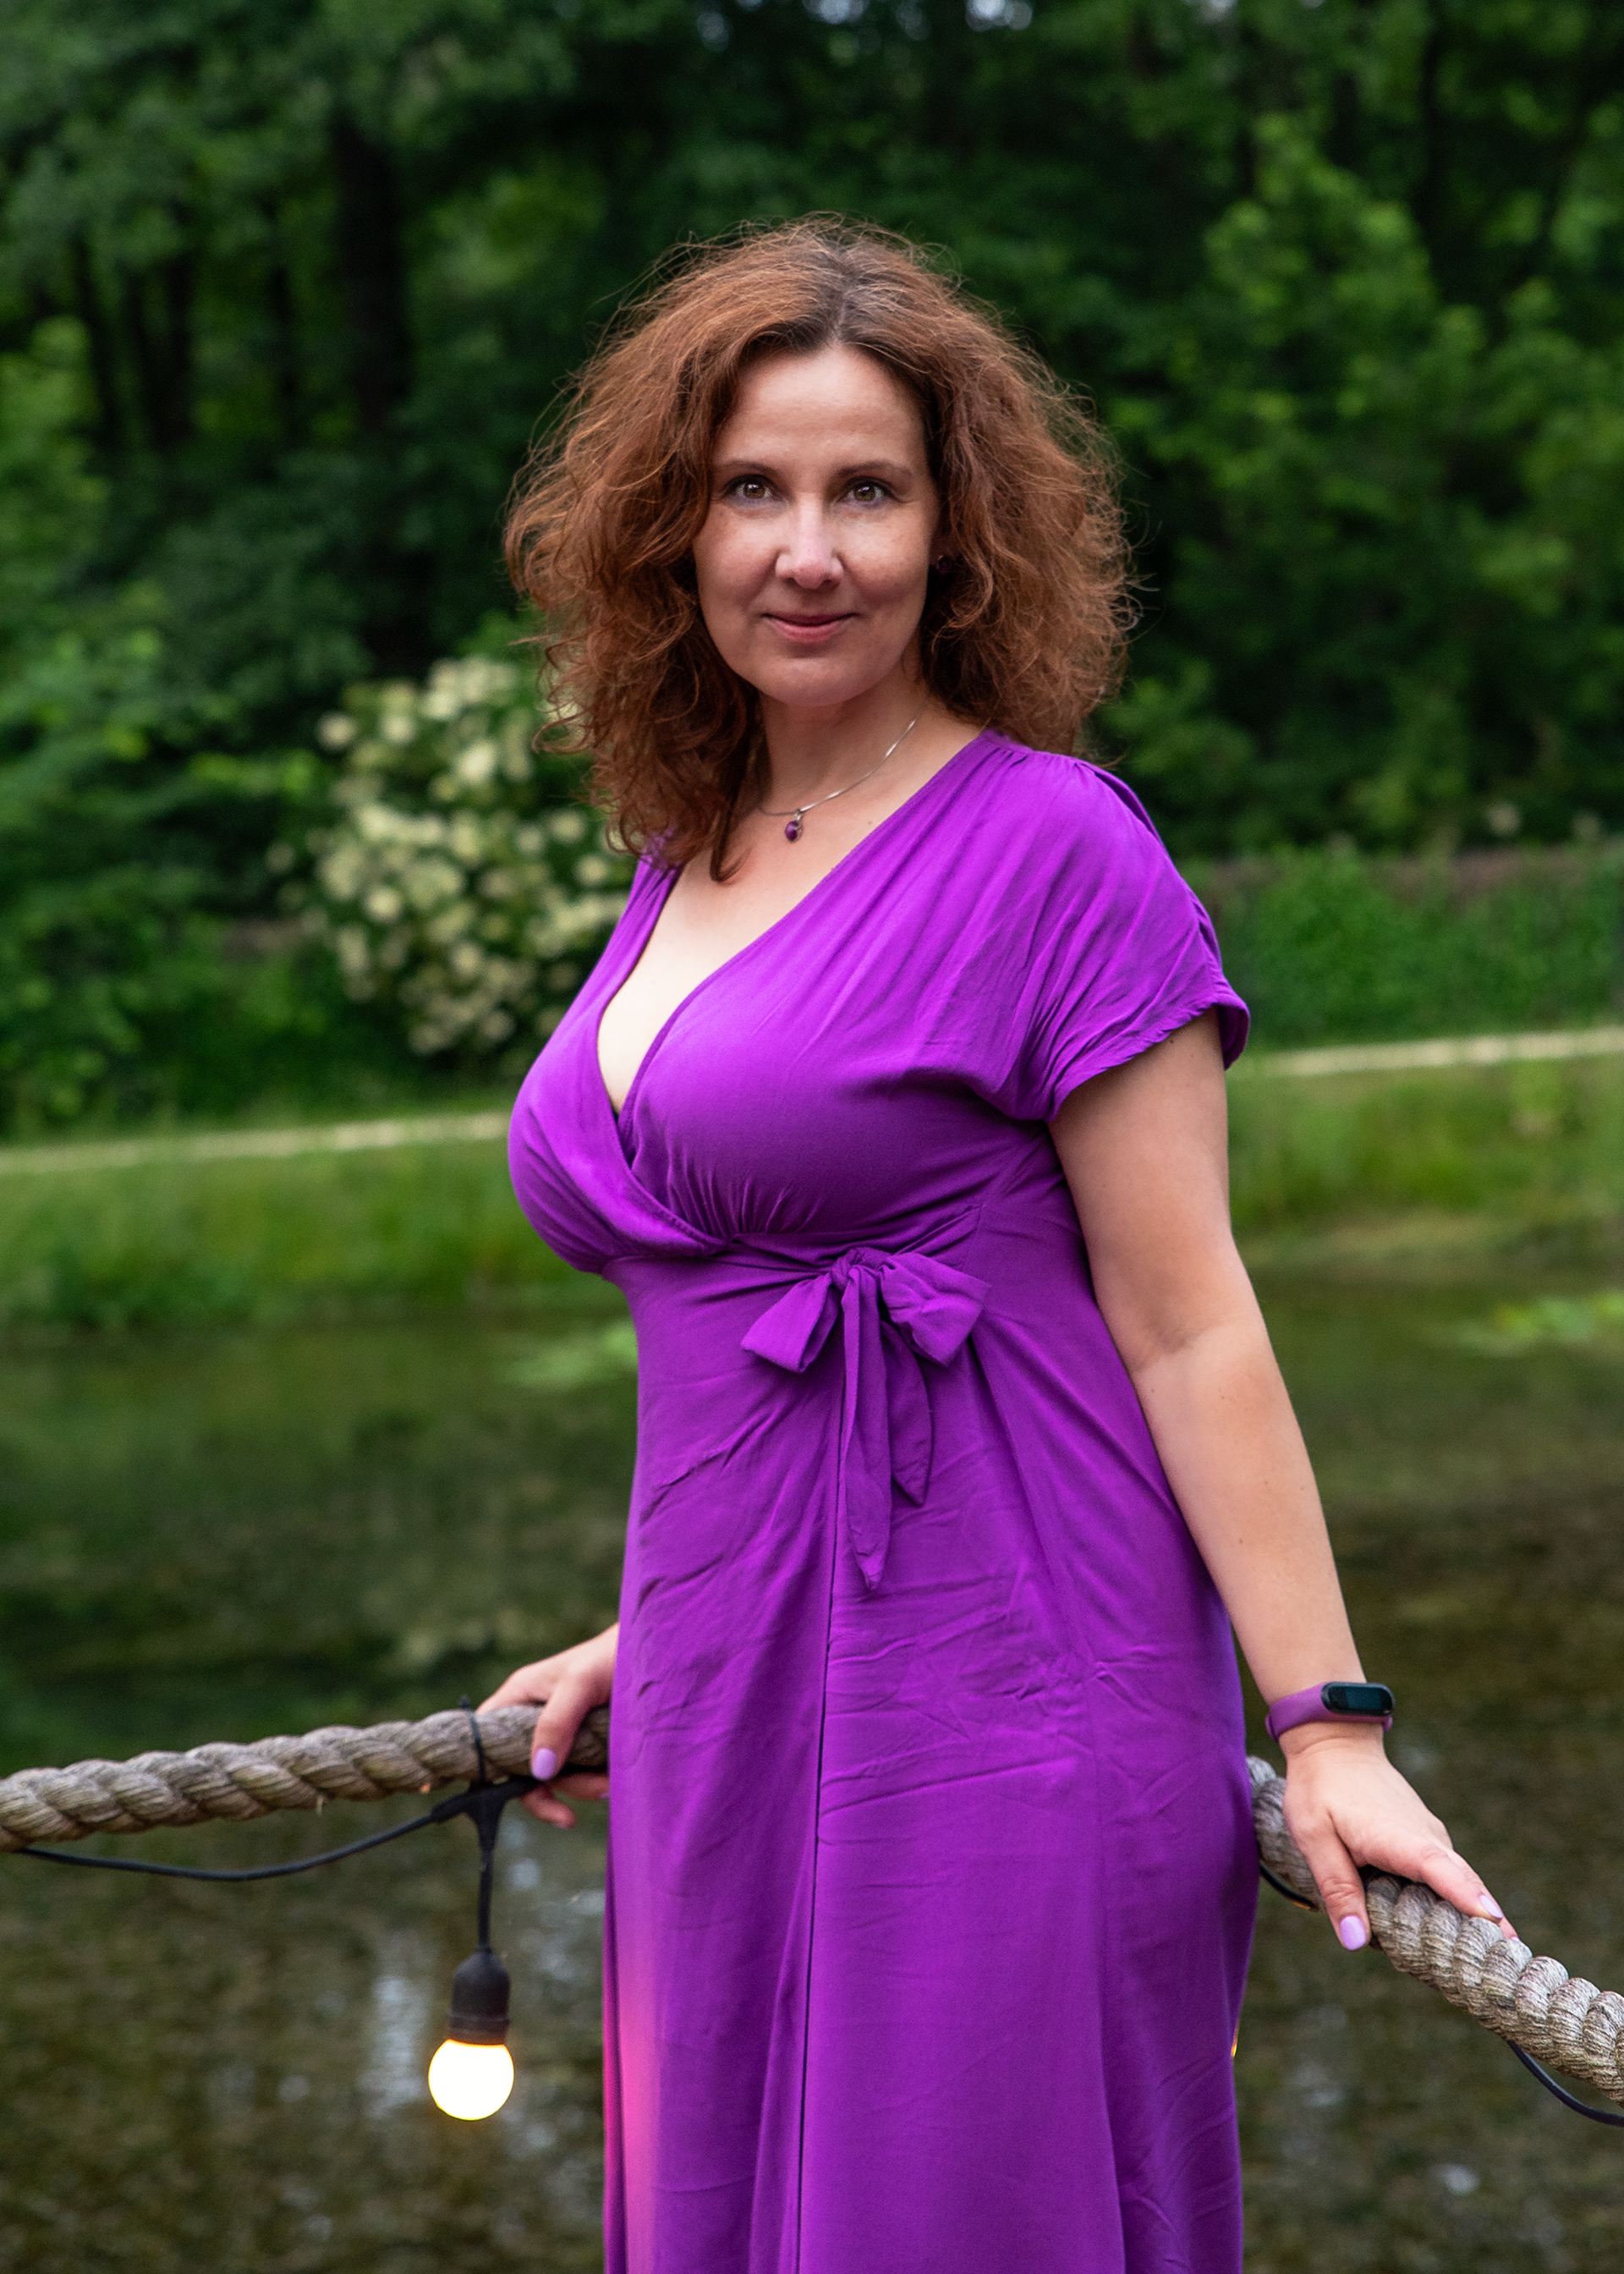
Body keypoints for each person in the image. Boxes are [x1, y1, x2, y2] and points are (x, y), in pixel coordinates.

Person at [484, 219, 1509, 2274]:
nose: (808, 552)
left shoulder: (1056, 848)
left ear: (956, 535)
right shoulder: (683, 857)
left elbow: (1191, 1322)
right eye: (753, 490)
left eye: (868, 491)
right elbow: (738, 1331)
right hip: (732, 1690)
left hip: (1006, 1698)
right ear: (672, 532)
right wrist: (664, 1625)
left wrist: (1329, 1724)